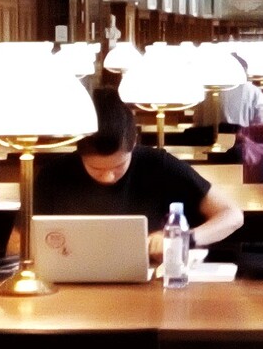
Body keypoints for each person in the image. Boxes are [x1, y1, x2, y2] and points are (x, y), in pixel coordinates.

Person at [37, 88, 245, 263]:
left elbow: (232, 215)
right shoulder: (54, 173)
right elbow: (17, 243)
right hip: (72, 289)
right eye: (96, 169)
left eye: (119, 165)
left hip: (153, 286)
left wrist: (183, 238)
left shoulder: (158, 165)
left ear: (134, 143)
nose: (109, 177)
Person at [194, 52, 263, 130]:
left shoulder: (208, 88)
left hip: (209, 137)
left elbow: (198, 120)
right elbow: (262, 124)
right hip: (242, 138)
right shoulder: (254, 92)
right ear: (244, 70)